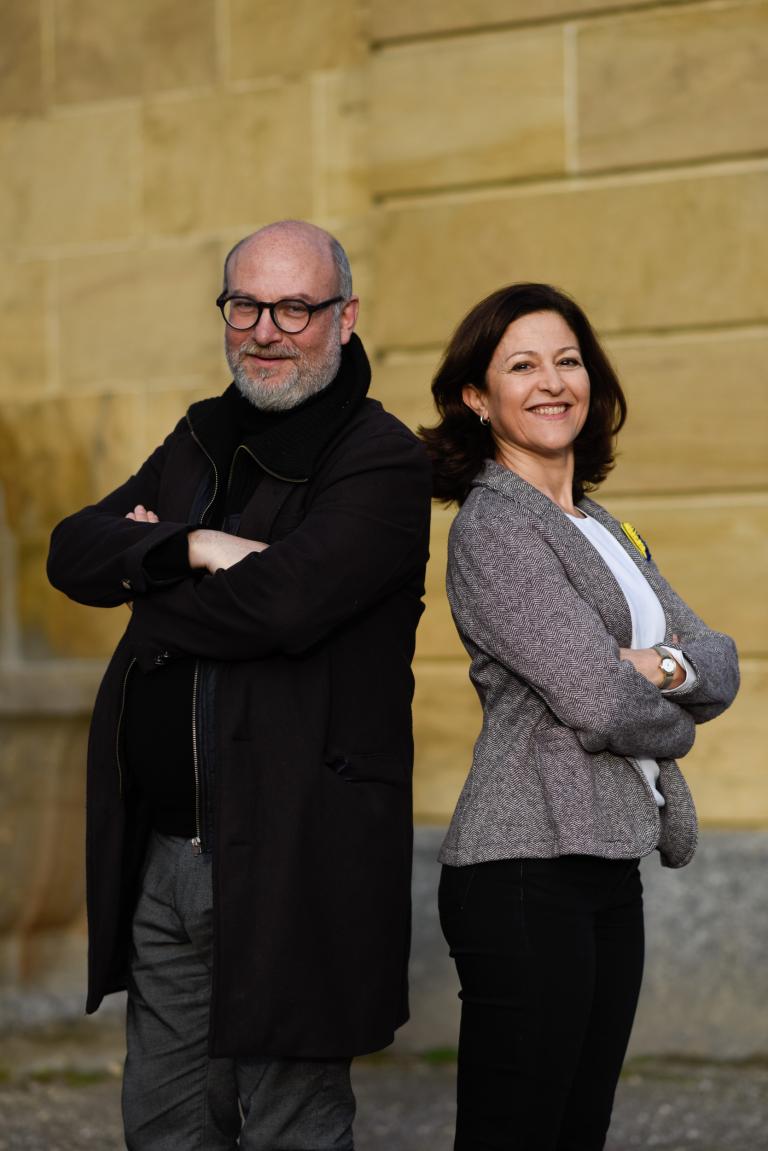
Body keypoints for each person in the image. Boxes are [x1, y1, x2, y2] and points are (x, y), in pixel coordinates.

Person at [47, 220, 432, 1150]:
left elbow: (282, 607)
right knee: (166, 1123)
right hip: (166, 855)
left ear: (345, 318)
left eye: (295, 307)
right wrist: (192, 546)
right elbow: (70, 550)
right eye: (246, 305)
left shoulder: (380, 459)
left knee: (292, 1126)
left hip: (293, 848)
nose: (266, 329)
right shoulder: (200, 433)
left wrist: (142, 573)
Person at [419, 282, 739, 1151]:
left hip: (604, 857)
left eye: (568, 360)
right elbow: (597, 699)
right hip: (523, 866)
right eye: (522, 364)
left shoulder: (599, 524)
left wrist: (656, 666)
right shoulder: (495, 525)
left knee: (577, 1131)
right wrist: (668, 708)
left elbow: (721, 660)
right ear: (478, 399)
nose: (552, 380)